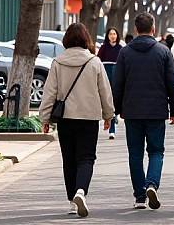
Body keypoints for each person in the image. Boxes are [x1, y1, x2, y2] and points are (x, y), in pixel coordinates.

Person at [39, 23, 114, 218]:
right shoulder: (94, 62)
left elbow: (49, 93)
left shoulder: (58, 62)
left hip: (65, 118)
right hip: (89, 118)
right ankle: (81, 191)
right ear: (86, 39)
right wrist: (108, 115)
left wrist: (44, 117)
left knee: (69, 159)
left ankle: (72, 201)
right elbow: (104, 91)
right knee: (86, 157)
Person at [112, 12, 174, 210]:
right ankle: (152, 183)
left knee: (135, 154)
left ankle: (140, 196)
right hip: (157, 110)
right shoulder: (163, 51)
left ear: (135, 29)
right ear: (153, 29)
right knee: (156, 151)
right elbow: (173, 84)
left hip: (132, 110)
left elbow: (118, 84)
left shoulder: (125, 53)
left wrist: (116, 109)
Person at [97, 27, 122, 139]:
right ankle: (111, 128)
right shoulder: (103, 48)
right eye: (111, 34)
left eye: (114, 34)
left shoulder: (121, 49)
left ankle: (115, 116)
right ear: (107, 36)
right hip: (106, 77)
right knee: (108, 100)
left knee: (116, 99)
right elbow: (98, 63)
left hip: (117, 78)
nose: (113, 36)